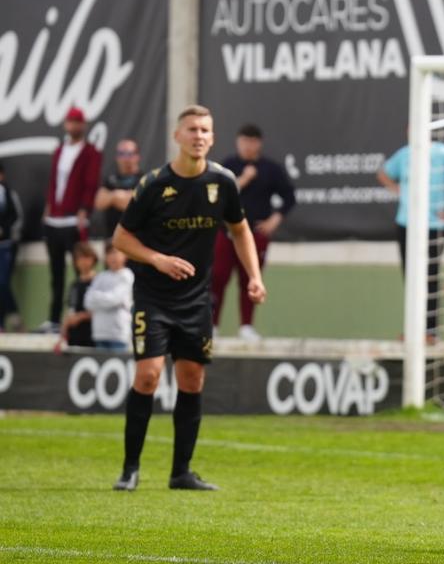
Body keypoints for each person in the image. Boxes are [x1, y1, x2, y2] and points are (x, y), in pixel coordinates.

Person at [111, 105, 266, 492]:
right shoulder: (153, 185)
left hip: (196, 300)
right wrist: (158, 260)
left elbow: (240, 230)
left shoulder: (223, 182)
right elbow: (121, 239)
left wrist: (254, 277)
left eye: (205, 130)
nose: (199, 136)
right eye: (192, 129)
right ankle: (130, 468)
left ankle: (181, 472)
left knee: (192, 379)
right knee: (147, 376)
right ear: (177, 136)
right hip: (153, 295)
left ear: (212, 139)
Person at [378, 134, 444, 342]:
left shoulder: (441, 152)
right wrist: (400, 190)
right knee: (411, 277)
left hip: (434, 226)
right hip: (406, 224)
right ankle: (412, 328)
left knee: (430, 276)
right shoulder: (405, 153)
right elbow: (383, 173)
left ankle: (430, 330)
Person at [211, 124, 295, 341]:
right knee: (218, 277)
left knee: (250, 280)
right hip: (226, 232)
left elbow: (289, 196)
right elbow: (218, 195)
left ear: (259, 143)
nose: (248, 146)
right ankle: (212, 326)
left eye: (252, 141)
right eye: (244, 141)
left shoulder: (270, 169)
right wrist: (244, 179)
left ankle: (246, 326)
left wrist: (273, 220)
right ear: (238, 142)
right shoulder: (227, 166)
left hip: (255, 234)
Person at [40, 106, 102, 333]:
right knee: (56, 273)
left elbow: (91, 183)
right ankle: (54, 319)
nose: (73, 126)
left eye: (77, 122)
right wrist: (48, 208)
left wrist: (84, 210)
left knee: (82, 271)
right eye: (70, 121)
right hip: (54, 220)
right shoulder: (59, 150)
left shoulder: (91, 153)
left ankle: (82, 316)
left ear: (83, 125)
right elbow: (54, 183)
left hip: (74, 220)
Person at [83, 242, 135, 352]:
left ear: (125, 255)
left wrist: (97, 297)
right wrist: (106, 298)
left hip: (119, 335)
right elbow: (87, 301)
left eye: (116, 252)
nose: (113, 256)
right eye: (109, 253)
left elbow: (114, 299)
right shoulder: (101, 277)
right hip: (100, 334)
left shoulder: (127, 275)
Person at [94, 138, 144, 239]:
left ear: (137, 156)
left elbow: (132, 206)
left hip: (135, 240)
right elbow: (99, 203)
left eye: (129, 154)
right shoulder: (110, 179)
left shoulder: (144, 180)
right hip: (111, 238)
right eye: (121, 153)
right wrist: (117, 195)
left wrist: (111, 197)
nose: (125, 158)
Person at [56, 241, 99, 351]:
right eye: (79, 258)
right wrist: (62, 334)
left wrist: (81, 316)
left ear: (93, 258)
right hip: (74, 338)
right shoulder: (74, 285)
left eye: (86, 257)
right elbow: (70, 309)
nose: (83, 262)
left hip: (93, 337)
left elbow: (102, 310)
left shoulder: (99, 281)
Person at [0, 162, 23, 331]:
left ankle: (15, 318)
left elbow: (18, 219)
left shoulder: (9, 195)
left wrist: (4, 231)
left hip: (6, 246)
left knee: (2, 282)